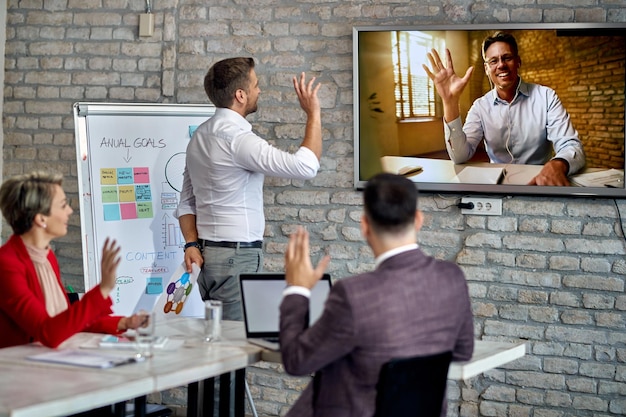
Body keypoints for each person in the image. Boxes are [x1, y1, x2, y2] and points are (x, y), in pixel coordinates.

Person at [279, 173, 474, 417]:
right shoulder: (452, 277)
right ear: (418, 219)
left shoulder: (353, 295)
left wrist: (297, 288)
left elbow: (296, 361)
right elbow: (463, 351)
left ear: (364, 225)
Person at [176, 57, 323, 320]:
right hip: (236, 258)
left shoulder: (199, 137)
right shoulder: (239, 141)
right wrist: (313, 114)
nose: (259, 90)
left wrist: (190, 243)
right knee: (234, 348)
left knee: (218, 343)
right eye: (255, 85)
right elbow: (306, 167)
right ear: (240, 95)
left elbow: (186, 202)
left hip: (206, 257)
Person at [0, 171, 146, 349]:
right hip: (19, 370)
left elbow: (66, 320)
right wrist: (102, 289)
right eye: (63, 205)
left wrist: (124, 323)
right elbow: (48, 332)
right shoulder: (7, 264)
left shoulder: (46, 257)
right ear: (41, 218)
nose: (70, 210)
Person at [424, 31, 585, 186]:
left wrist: (558, 164)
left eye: (507, 58)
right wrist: (450, 102)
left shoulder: (546, 97)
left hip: (539, 182)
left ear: (518, 62)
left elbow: (571, 146)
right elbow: (460, 156)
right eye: (493, 61)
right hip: (497, 186)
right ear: (486, 69)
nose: (501, 65)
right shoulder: (480, 106)